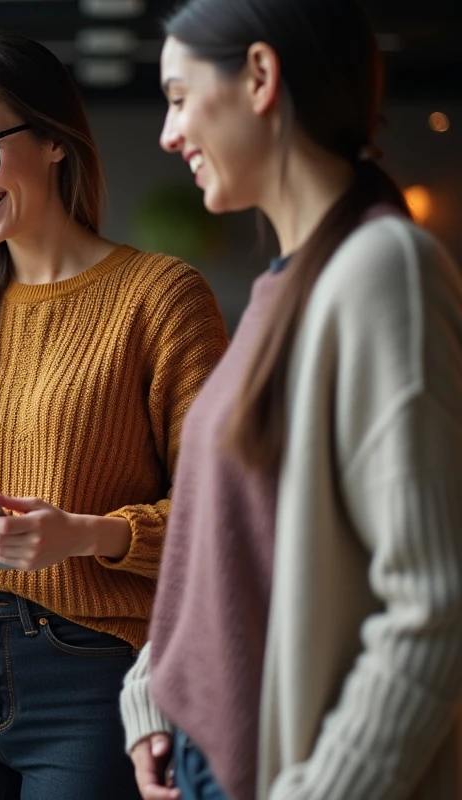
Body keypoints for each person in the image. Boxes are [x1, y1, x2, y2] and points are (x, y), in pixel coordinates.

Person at [0, 30, 228, 800]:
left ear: (55, 141)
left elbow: (219, 521)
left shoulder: (160, 298)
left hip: (92, 675)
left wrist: (83, 534)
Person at [121, 1, 462, 799]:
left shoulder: (384, 271)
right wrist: (153, 700)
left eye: (177, 96)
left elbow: (434, 610)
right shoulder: (285, 288)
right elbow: (229, 547)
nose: (169, 135)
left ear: (261, 77)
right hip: (207, 759)